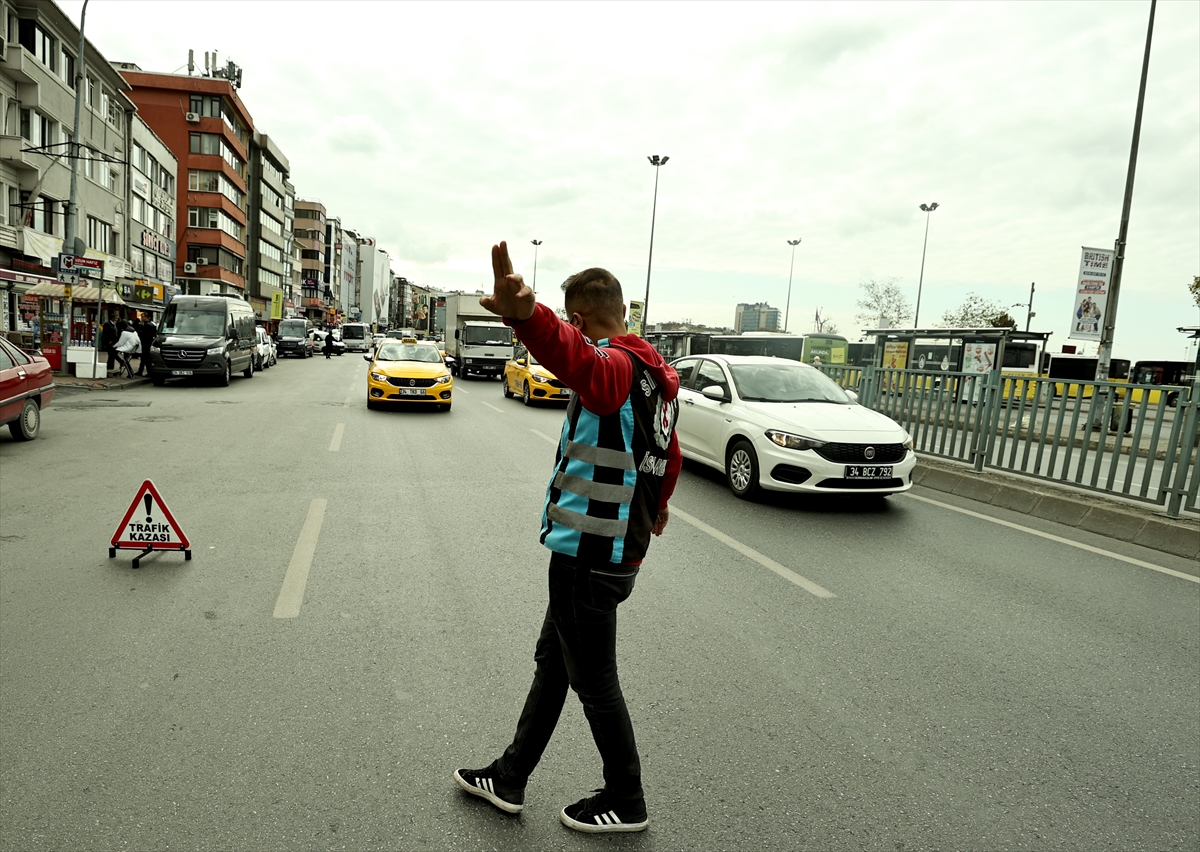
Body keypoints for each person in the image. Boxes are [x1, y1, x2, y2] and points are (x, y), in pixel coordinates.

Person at [454, 241, 681, 834]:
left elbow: (583, 366)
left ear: (579, 320)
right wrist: (657, 510)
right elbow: (668, 454)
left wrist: (528, 317)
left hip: (589, 551)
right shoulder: (659, 376)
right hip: (612, 548)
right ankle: (510, 776)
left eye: (569, 322)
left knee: (593, 678)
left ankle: (626, 798)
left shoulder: (616, 367)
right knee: (555, 662)